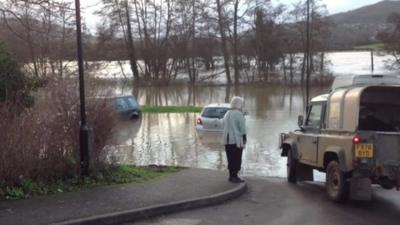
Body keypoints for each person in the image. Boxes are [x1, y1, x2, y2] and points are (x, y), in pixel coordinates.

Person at [223, 96, 247, 183]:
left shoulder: (227, 114)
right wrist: (244, 139)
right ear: (239, 104)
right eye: (242, 104)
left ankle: (231, 176)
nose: (242, 106)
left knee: (230, 158)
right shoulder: (238, 114)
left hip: (227, 140)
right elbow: (243, 129)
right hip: (236, 141)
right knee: (237, 158)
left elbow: (223, 125)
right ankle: (235, 176)